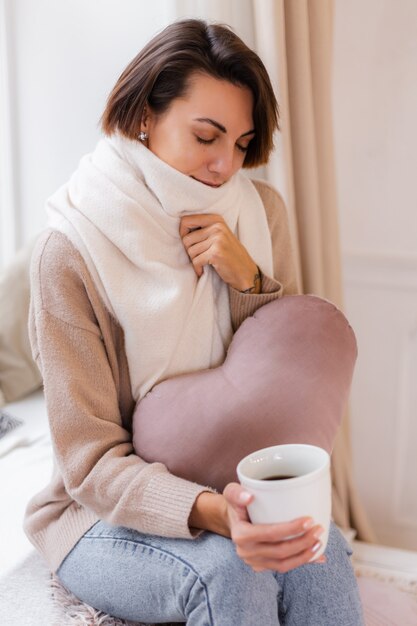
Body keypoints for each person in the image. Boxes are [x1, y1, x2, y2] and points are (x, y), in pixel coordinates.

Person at [24, 18, 364, 625]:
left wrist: (250, 282)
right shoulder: (71, 249)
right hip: (99, 515)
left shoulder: (261, 216)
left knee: (324, 550)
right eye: (206, 136)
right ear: (144, 116)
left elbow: (279, 379)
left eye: (241, 143)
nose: (224, 166)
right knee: (230, 571)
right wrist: (212, 512)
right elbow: (88, 463)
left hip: (237, 482)